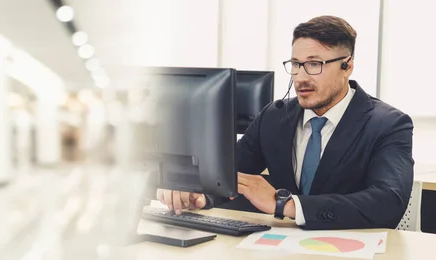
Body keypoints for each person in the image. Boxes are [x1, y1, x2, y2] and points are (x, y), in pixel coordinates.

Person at [156, 15, 414, 230]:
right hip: (281, 248)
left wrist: (286, 204)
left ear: (347, 66)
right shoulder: (275, 116)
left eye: (314, 64)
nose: (301, 77)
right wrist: (199, 194)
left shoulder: (388, 124)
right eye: (295, 64)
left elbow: (388, 203)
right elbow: (229, 174)